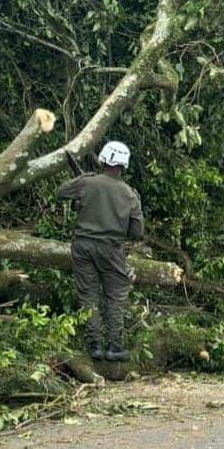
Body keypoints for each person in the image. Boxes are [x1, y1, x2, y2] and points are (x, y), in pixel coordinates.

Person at [57, 141, 144, 361]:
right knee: (115, 296)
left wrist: (82, 194)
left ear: (103, 160)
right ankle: (115, 347)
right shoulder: (130, 194)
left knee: (88, 295)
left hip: (83, 246)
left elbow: (61, 192)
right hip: (111, 249)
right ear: (124, 165)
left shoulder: (87, 182)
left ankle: (94, 346)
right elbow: (136, 232)